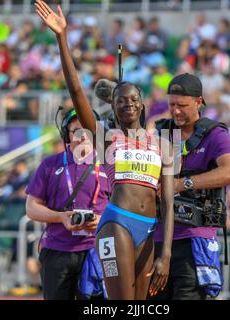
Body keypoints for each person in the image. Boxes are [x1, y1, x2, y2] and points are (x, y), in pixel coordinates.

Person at [34, 0, 175, 300]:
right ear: (112, 107)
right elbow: (75, 90)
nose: (128, 103)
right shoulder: (107, 138)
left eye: (134, 98)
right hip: (117, 224)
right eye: (121, 100)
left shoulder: (162, 144)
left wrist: (166, 254)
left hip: (149, 228)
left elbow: (169, 203)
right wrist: (62, 37)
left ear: (142, 103)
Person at [151, 73, 230, 300]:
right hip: (157, 240)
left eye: (182, 105)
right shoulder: (160, 132)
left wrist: (182, 183)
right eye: (171, 105)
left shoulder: (215, 134)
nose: (176, 111)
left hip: (194, 240)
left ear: (199, 102)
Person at [25, 108, 111, 300]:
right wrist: (60, 217)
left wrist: (103, 220)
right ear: (67, 135)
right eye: (76, 131)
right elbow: (31, 207)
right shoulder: (50, 164)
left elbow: (123, 206)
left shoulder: (109, 164)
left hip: (97, 251)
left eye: (87, 130)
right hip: (57, 251)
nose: (82, 137)